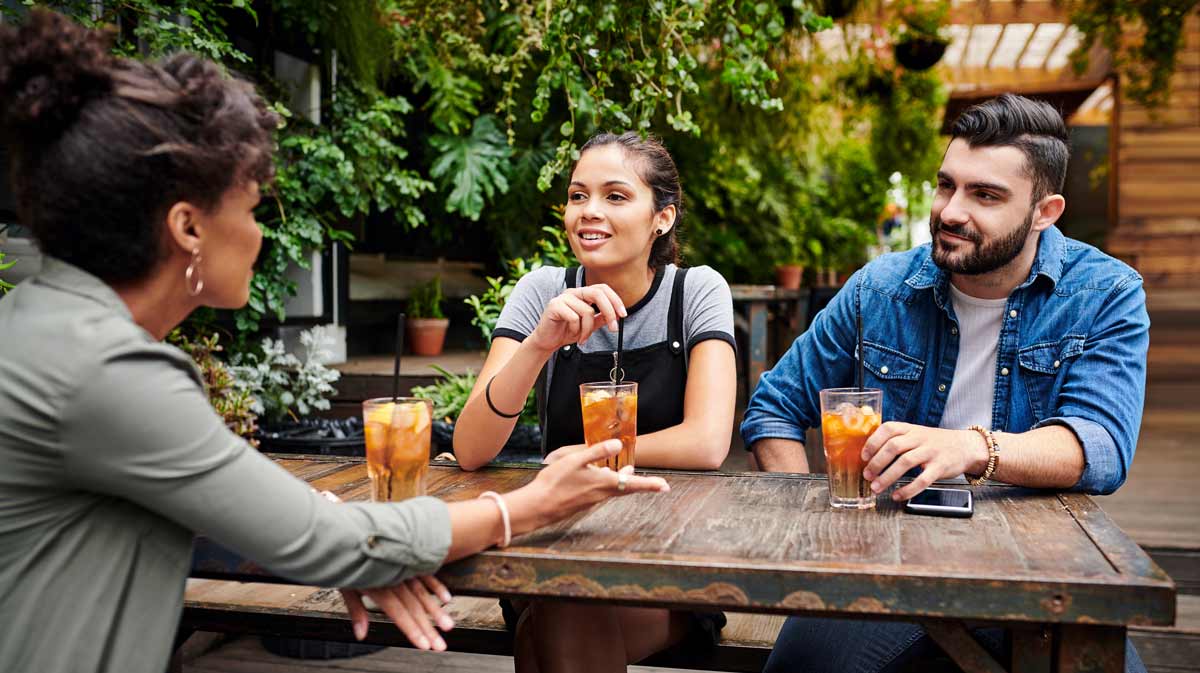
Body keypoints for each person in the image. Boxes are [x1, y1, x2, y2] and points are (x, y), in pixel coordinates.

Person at [0, 11, 669, 673]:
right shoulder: (108, 369)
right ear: (188, 227)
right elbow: (332, 539)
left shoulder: (47, 326)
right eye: (253, 207)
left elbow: (250, 512)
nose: (261, 235)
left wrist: (341, 538)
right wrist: (525, 506)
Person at [741, 94, 1150, 673]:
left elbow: (1101, 446)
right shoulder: (878, 288)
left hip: (1036, 565)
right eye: (946, 185)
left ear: (1045, 211)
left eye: (985, 195)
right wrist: (823, 533)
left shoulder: (1105, 293)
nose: (951, 211)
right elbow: (774, 408)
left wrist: (969, 446)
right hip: (887, 562)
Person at [452, 132, 738, 672]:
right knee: (561, 596)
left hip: (669, 558)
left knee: (556, 613)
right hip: (557, 538)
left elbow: (706, 442)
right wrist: (540, 342)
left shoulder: (695, 292)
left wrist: (586, 457)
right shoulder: (542, 291)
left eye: (615, 196)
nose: (589, 212)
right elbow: (470, 449)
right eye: (578, 195)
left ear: (663, 218)